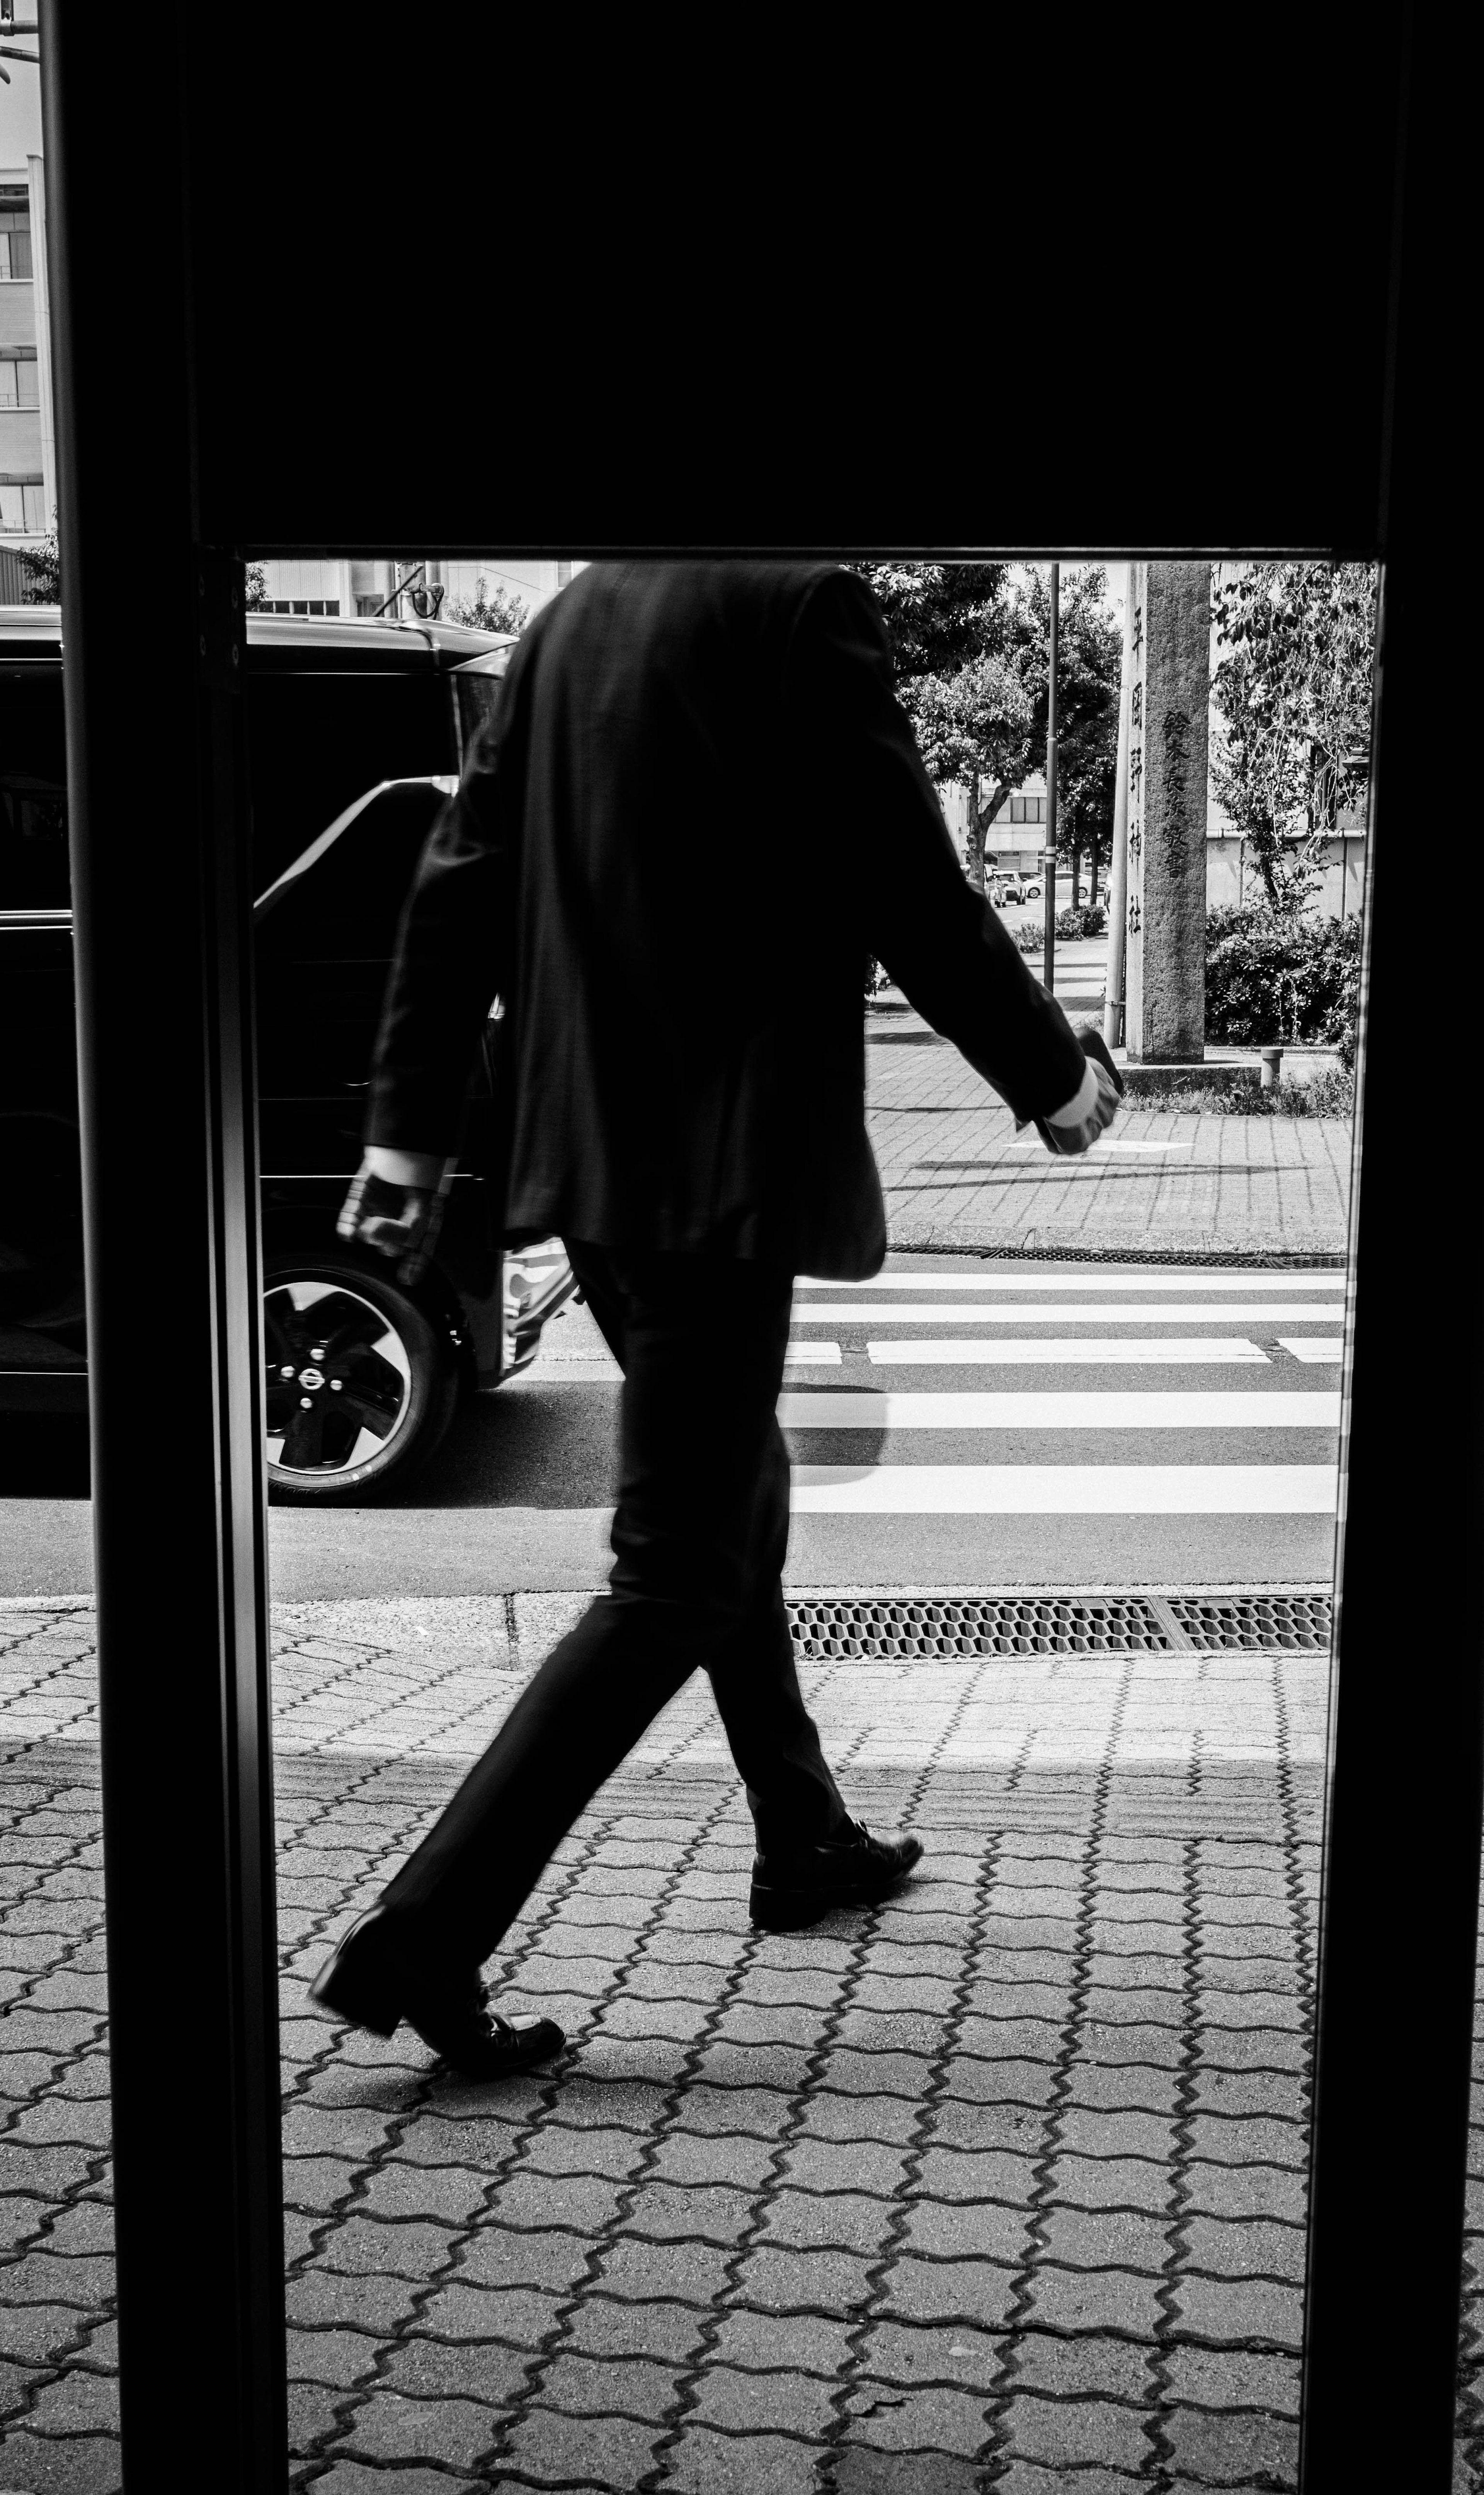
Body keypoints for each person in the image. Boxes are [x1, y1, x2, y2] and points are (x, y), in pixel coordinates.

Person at [310, 561, 1121, 2079]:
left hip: (587, 1158)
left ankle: (799, 1833)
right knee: (676, 1570)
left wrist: (405, 1144)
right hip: (719, 1166)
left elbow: (459, 878)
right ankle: (424, 1937)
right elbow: (908, 880)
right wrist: (1053, 1078)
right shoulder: (797, 606)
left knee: (735, 1488)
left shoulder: (570, 621)